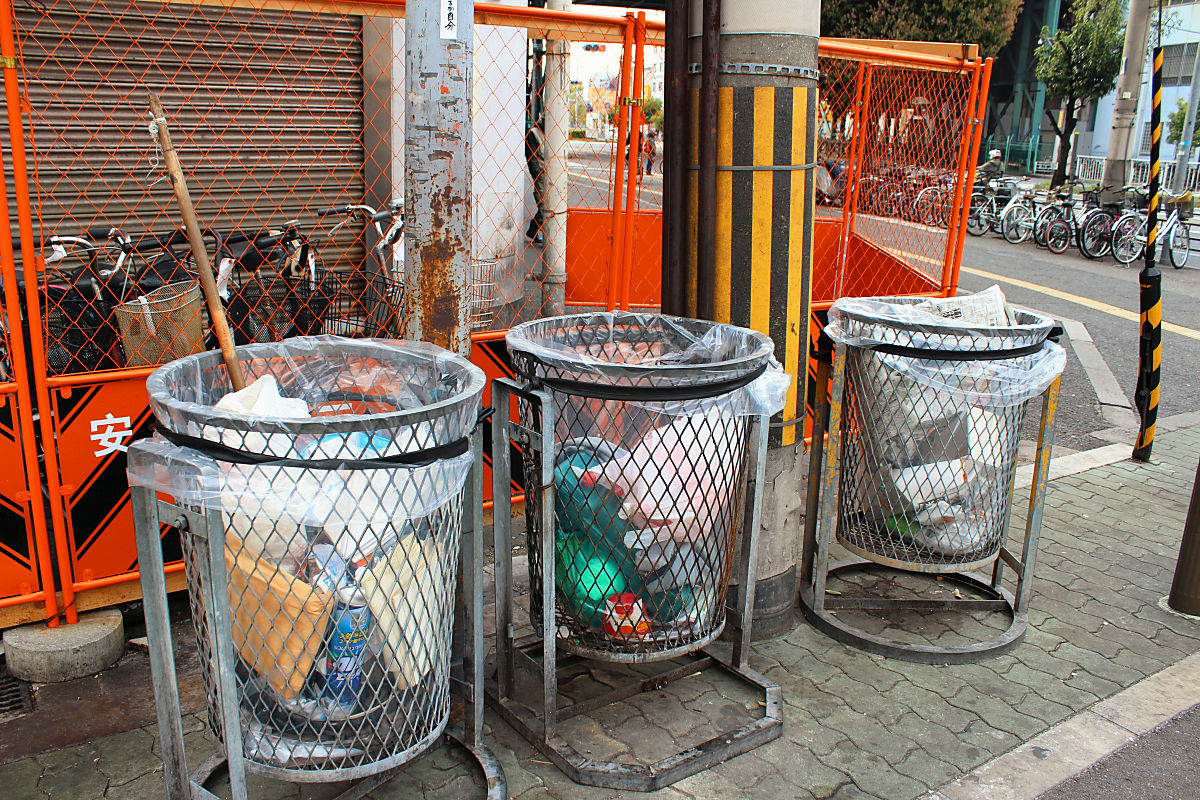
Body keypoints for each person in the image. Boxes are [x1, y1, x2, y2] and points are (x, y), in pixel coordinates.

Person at [525, 122, 547, 246]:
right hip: (541, 173)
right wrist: (536, 173)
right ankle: (537, 230)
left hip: (551, 172)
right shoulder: (533, 133)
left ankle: (534, 229)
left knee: (550, 205)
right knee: (544, 205)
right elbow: (531, 156)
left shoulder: (552, 133)